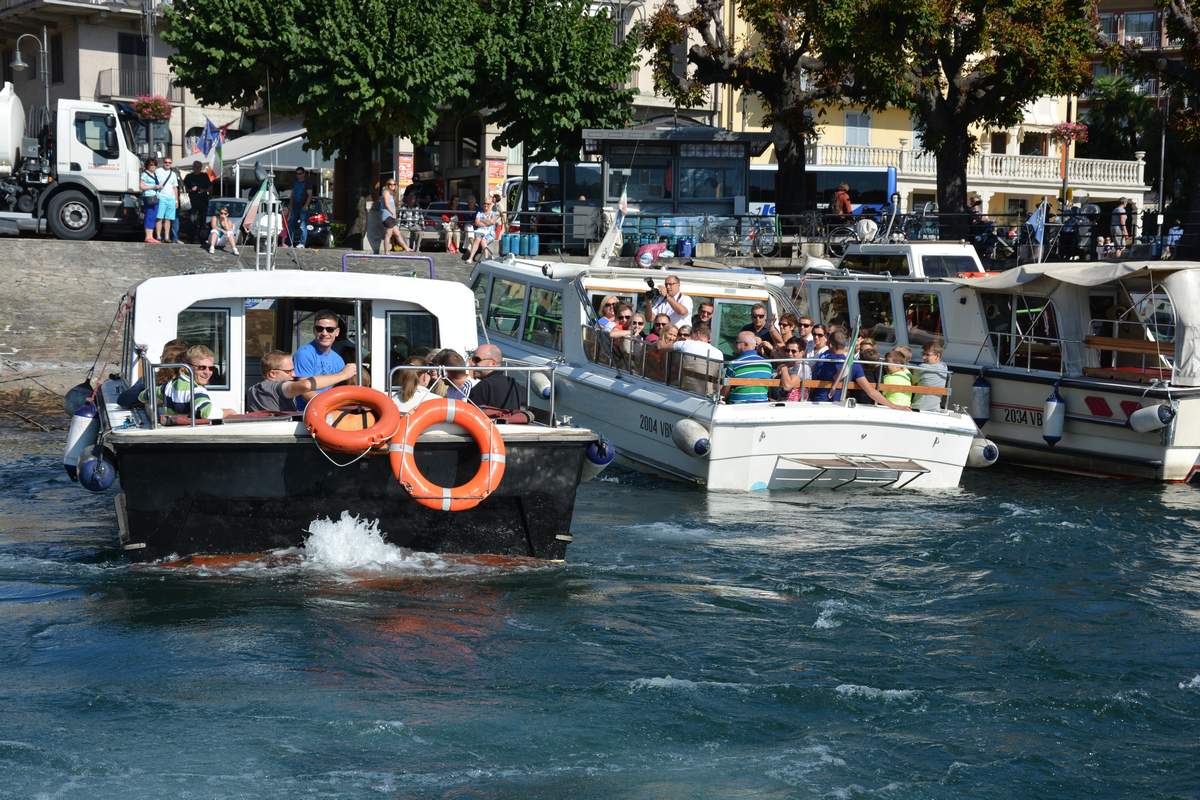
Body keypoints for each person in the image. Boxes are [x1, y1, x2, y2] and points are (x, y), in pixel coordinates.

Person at [809, 328, 907, 409]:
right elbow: (871, 391)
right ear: (845, 345)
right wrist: (894, 406)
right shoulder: (854, 365)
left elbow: (812, 386)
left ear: (829, 344)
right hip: (838, 406)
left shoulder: (822, 361)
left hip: (818, 404)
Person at [245, 350, 357, 413]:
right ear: (272, 374)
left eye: (293, 370)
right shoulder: (277, 387)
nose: (294, 374)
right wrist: (343, 375)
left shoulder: (252, 390)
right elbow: (305, 385)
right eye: (289, 371)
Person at [138, 344, 224, 419]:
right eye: (202, 368)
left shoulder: (169, 385)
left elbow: (143, 396)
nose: (207, 372)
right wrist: (230, 412)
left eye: (211, 368)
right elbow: (207, 414)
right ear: (188, 367)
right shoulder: (196, 391)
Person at [292, 310, 347, 409]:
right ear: (314, 330)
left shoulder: (338, 360)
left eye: (330, 329)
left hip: (330, 410)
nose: (324, 333)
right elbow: (305, 390)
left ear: (337, 332)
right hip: (307, 414)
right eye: (319, 328)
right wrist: (329, 406)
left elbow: (340, 390)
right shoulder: (304, 353)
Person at [118, 339, 188, 408]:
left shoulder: (150, 379)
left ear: (163, 360)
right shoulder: (192, 382)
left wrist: (143, 400)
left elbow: (123, 400)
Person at [468, 343, 522, 412]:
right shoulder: (513, 383)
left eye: (476, 360)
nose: (472, 364)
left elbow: (468, 415)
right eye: (472, 359)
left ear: (493, 364)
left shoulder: (483, 386)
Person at [723, 331, 773, 404]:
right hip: (761, 405)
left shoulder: (735, 364)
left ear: (745, 344)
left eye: (737, 343)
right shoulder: (767, 364)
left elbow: (724, 393)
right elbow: (767, 388)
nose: (735, 345)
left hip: (737, 407)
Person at [913, 342, 948, 412]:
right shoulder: (944, 367)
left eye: (927, 355)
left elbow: (913, 381)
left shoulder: (922, 367)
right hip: (935, 409)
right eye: (923, 354)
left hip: (918, 407)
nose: (923, 357)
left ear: (937, 356)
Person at [183, 161, 212, 243]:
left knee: (203, 222)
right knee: (192, 221)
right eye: (196, 166)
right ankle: (191, 238)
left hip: (203, 202)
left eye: (199, 167)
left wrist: (204, 190)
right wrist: (191, 190)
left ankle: (202, 239)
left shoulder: (204, 176)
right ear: (193, 167)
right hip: (192, 203)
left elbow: (210, 187)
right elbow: (184, 189)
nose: (197, 168)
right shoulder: (189, 176)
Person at [775, 337, 811, 402]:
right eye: (787, 350)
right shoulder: (787, 365)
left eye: (793, 351)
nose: (790, 353)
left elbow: (787, 386)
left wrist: (783, 369)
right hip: (782, 404)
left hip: (795, 407)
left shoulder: (802, 366)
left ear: (801, 353)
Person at [287, 168, 314, 248]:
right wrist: (290, 205)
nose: (298, 175)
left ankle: (302, 243)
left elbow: (310, 195)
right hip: (295, 206)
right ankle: (289, 243)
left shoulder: (307, 182)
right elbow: (292, 195)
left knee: (303, 225)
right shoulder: (295, 182)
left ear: (304, 173)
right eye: (297, 173)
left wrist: (305, 205)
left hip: (303, 206)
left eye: (300, 173)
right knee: (291, 224)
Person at [378, 178, 406, 253]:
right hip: (387, 216)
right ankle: (386, 251)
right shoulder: (386, 192)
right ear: (388, 185)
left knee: (397, 233)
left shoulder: (391, 194)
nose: (392, 186)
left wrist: (394, 215)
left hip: (391, 216)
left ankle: (407, 248)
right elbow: (387, 204)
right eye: (390, 184)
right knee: (388, 234)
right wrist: (393, 213)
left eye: (394, 184)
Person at [156, 157, 180, 244]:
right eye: (166, 162)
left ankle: (166, 237)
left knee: (168, 219)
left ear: (171, 163)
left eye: (169, 162)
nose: (167, 164)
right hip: (161, 197)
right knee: (159, 218)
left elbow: (175, 188)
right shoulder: (158, 171)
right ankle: (158, 236)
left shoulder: (173, 174)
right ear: (163, 162)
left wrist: (176, 201)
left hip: (171, 198)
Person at [140, 158, 160, 244]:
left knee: (153, 216)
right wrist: (153, 187)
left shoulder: (154, 174)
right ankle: (148, 237)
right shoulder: (145, 174)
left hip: (155, 196)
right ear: (147, 166)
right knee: (150, 215)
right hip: (149, 197)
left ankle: (150, 236)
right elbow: (141, 186)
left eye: (154, 165)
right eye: (151, 165)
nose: (153, 166)